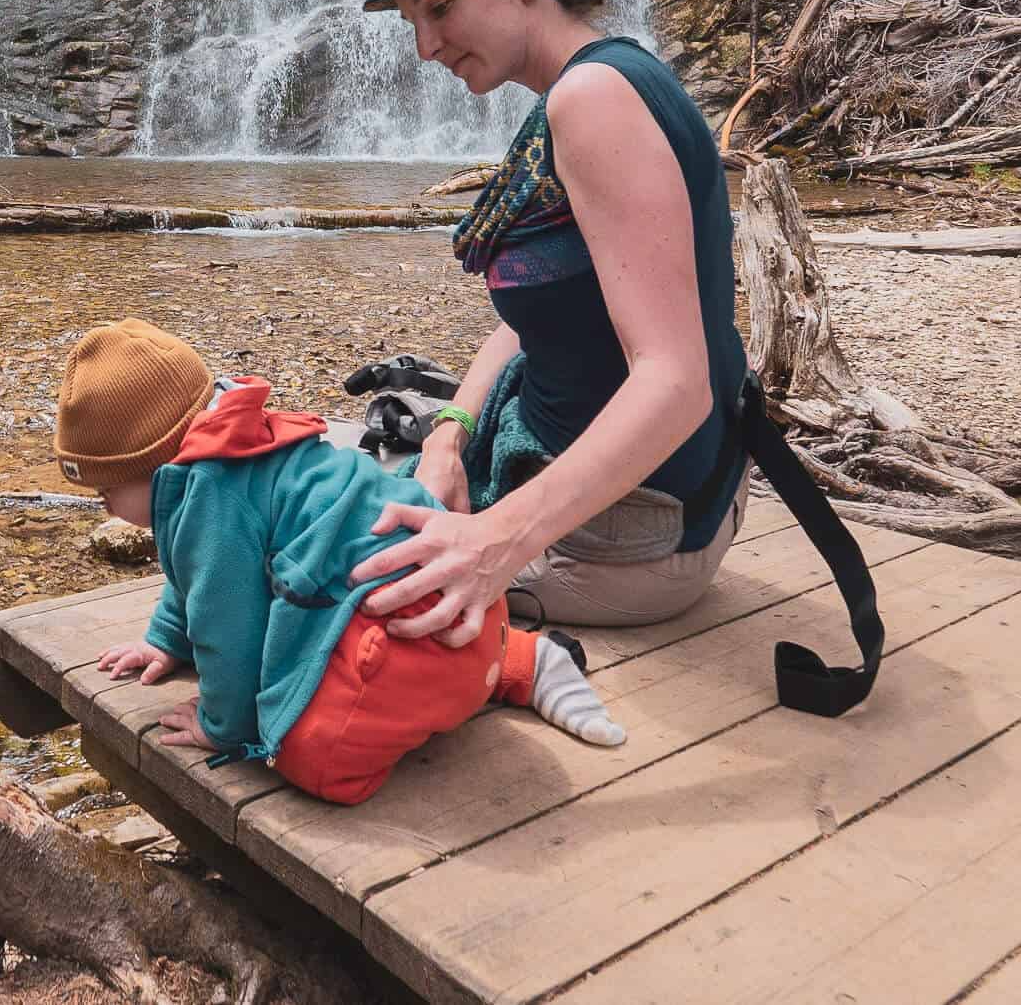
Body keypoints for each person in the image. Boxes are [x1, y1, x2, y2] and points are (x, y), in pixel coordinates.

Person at [349, 0, 753, 646]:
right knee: (332, 481)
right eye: (413, 24)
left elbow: (676, 382)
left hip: (626, 539)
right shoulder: (602, 80)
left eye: (440, 7)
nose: (428, 47)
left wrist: (490, 544)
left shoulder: (591, 100)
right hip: (658, 506)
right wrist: (449, 434)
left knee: (303, 547)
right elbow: (542, 321)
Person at [53, 318, 624, 808]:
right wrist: (163, 640)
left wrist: (222, 726)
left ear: (159, 464)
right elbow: (195, 578)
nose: (103, 504)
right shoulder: (238, 442)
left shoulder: (208, 495)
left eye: (107, 491)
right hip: (470, 608)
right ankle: (524, 661)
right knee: (432, 650)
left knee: (311, 759)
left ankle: (435, 701)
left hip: (400, 636)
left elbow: (225, 624)